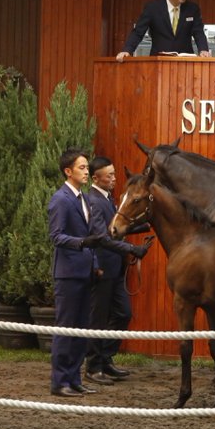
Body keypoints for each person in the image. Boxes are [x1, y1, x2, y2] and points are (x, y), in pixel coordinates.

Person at [84, 156, 152, 385]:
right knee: (98, 318)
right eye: (109, 175)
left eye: (114, 174)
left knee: (123, 313)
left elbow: (116, 231)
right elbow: (102, 238)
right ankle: (93, 367)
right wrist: (133, 248)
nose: (114, 178)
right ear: (96, 178)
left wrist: (144, 224)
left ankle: (106, 357)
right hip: (101, 268)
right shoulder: (93, 201)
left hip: (115, 267)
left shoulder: (109, 199)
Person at [47, 148, 104, 398]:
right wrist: (81, 243)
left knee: (81, 329)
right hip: (68, 274)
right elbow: (56, 236)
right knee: (66, 328)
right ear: (67, 171)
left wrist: (94, 263)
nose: (86, 170)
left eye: (87, 167)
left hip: (84, 272)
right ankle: (60, 381)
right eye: (81, 167)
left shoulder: (83, 198)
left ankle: (74, 378)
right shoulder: (61, 199)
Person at [116, 0, 210, 61]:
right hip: (158, 62)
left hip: (185, 61)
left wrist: (203, 50)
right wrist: (127, 50)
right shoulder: (152, 8)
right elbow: (138, 32)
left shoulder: (192, 9)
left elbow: (198, 32)